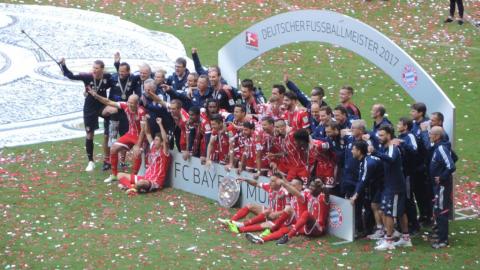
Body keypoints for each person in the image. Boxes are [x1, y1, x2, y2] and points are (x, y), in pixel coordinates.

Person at [59, 58, 115, 172]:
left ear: (102, 69)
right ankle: (91, 161)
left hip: (102, 106)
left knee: (112, 111)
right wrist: (63, 65)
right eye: (93, 68)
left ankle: (109, 133)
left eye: (96, 68)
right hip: (90, 108)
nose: (94, 70)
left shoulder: (108, 77)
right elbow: (70, 75)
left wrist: (117, 63)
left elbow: (120, 77)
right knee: (90, 134)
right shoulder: (87, 77)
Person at [86, 89, 146, 184]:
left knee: (136, 152)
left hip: (140, 136)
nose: (129, 105)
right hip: (130, 134)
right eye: (129, 102)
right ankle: (114, 175)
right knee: (113, 148)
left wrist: (138, 145)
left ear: (137, 104)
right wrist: (96, 96)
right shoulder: (125, 105)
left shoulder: (141, 112)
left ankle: (134, 177)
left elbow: (143, 130)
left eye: (132, 103)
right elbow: (108, 102)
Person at [369, 125, 412, 250]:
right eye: (379, 135)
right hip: (394, 185)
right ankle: (405, 238)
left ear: (389, 135)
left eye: (382, 135)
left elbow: (391, 160)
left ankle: (388, 241)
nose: (379, 138)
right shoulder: (387, 147)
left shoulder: (392, 147)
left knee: (388, 213)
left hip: (394, 187)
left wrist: (375, 153)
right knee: (400, 212)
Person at [218, 173, 289, 233]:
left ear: (279, 182)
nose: (270, 183)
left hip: (280, 217)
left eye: (273, 181)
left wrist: (277, 213)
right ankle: (231, 222)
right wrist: (246, 180)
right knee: (250, 206)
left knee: (266, 219)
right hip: (271, 212)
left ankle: (241, 226)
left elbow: (290, 210)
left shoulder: (285, 192)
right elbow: (256, 184)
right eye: (270, 180)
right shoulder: (269, 187)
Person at [118, 117, 170, 194]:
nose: (154, 141)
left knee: (140, 183)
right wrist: (145, 121)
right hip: (145, 178)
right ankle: (132, 187)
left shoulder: (164, 152)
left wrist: (160, 124)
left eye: (157, 140)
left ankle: (129, 186)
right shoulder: (152, 147)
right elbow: (148, 133)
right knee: (120, 175)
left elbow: (165, 140)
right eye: (154, 139)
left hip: (155, 181)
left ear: (161, 143)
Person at [350, 140, 385, 240]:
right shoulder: (364, 161)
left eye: (353, 149)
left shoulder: (368, 163)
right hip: (379, 185)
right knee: (375, 205)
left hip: (385, 185)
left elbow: (363, 180)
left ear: (359, 151)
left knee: (376, 206)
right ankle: (382, 229)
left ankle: (382, 230)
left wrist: (355, 195)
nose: (351, 151)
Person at [428, 126, 456, 249]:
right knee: (438, 210)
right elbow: (455, 157)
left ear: (437, 136)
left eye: (431, 134)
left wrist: (442, 177)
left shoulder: (441, 148)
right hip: (438, 186)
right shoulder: (441, 146)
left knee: (442, 211)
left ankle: (443, 240)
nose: (429, 135)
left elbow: (451, 166)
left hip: (442, 186)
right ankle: (439, 236)